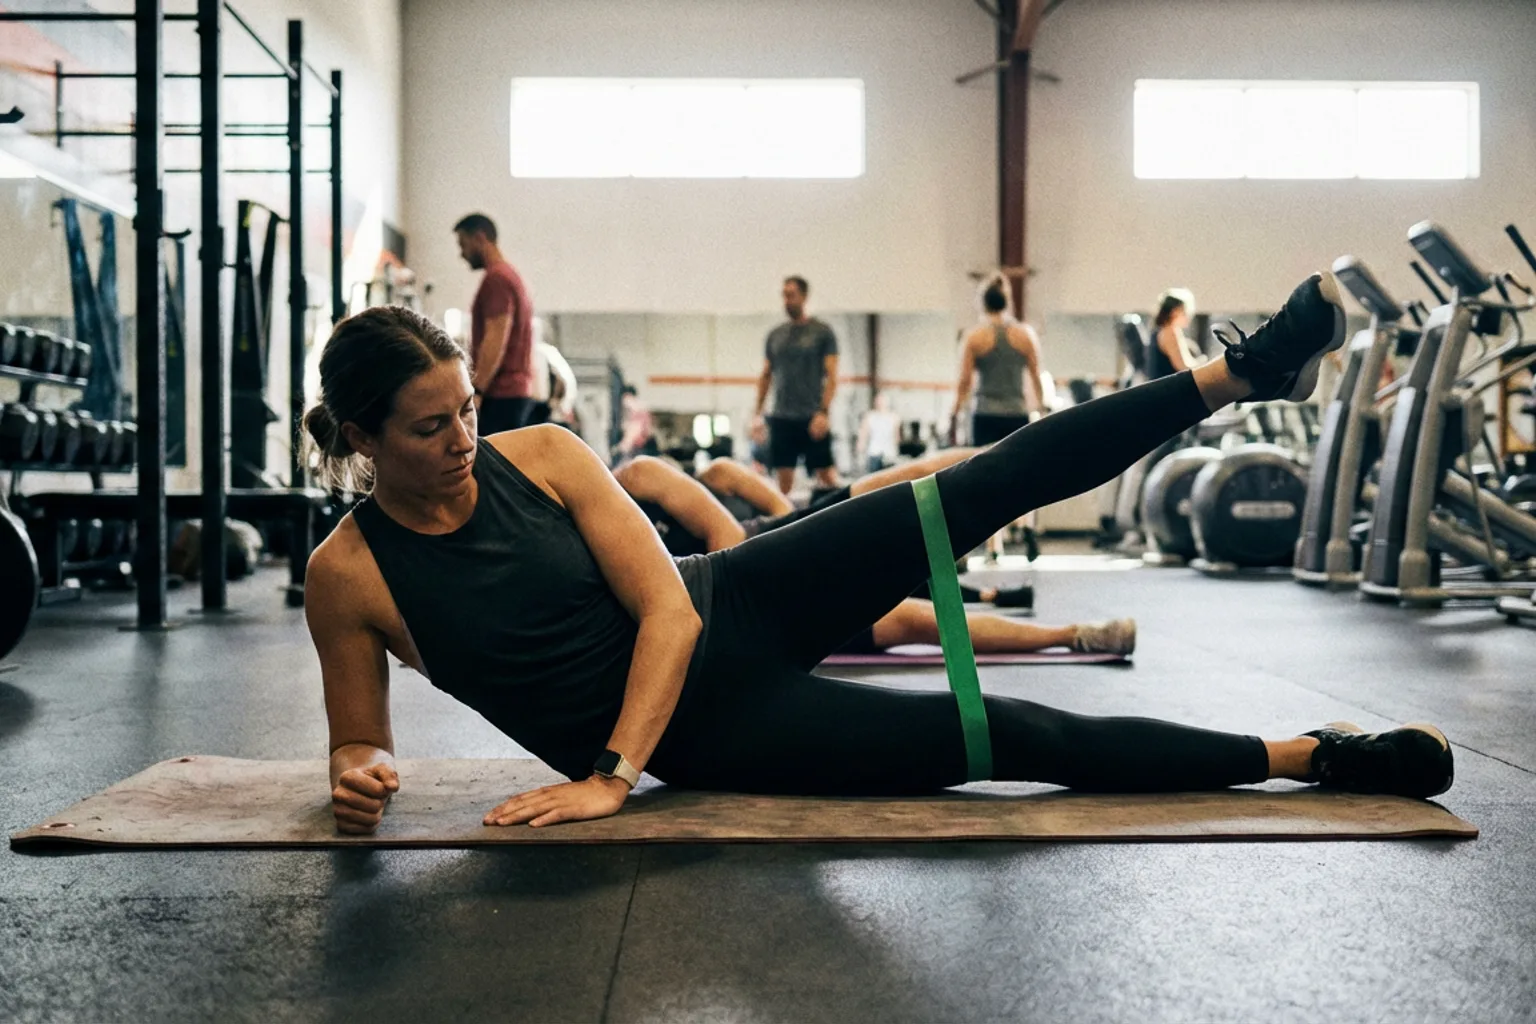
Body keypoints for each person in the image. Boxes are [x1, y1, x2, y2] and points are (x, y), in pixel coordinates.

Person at [303, 273, 1454, 837]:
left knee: (975, 487)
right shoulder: (349, 579)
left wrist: (607, 779)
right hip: (710, 729)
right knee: (1007, 736)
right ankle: (1314, 756)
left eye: (465, 409)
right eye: (429, 425)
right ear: (361, 437)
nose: (463, 440)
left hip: (725, 604)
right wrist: (361, 773)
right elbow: (361, 739)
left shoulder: (542, 453)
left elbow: (668, 611)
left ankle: (1238, 374)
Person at [611, 453, 1130, 655]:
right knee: (915, 623)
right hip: (760, 610)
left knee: (891, 487)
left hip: (772, 551)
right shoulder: (593, 570)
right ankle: (1075, 635)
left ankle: (1019, 463)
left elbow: (729, 536)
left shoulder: (638, 477)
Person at [752, 276, 839, 494]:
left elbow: (832, 376)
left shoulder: (822, 333)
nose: (787, 300)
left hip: (812, 417)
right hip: (782, 417)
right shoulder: (775, 335)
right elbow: (765, 375)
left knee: (827, 479)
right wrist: (757, 413)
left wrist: (823, 413)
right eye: (784, 295)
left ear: (804, 297)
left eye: (791, 295)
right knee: (782, 485)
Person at [454, 213, 537, 433]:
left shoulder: (497, 279)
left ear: (480, 238)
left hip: (502, 392)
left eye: (463, 244)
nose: (461, 254)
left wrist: (477, 390)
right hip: (513, 392)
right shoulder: (510, 276)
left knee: (490, 464)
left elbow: (496, 338)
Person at [951, 273, 1047, 446]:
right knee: (1016, 471)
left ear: (983, 304)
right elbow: (1036, 377)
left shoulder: (974, 337)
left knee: (984, 470)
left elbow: (964, 381)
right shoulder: (1026, 336)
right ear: (1006, 301)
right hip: (1016, 416)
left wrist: (954, 414)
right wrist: (1042, 411)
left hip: (985, 416)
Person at [1148, 288, 1202, 380]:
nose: (1188, 317)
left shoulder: (1158, 330)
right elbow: (1183, 367)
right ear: (1176, 311)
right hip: (1168, 391)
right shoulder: (1171, 331)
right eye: (1186, 312)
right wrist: (1205, 365)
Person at [857, 392, 901, 474]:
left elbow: (897, 437)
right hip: (874, 452)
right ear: (875, 402)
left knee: (889, 480)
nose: (881, 403)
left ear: (888, 402)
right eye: (879, 401)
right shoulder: (870, 416)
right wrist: (860, 445)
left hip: (889, 453)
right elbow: (863, 433)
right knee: (873, 479)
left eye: (883, 401)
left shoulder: (894, 417)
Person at [615, 385, 658, 459]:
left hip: (638, 448)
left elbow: (634, 429)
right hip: (640, 446)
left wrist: (622, 446)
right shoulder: (641, 409)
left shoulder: (637, 410)